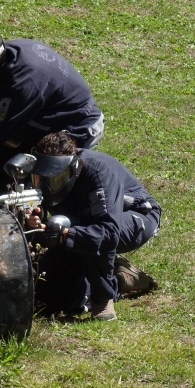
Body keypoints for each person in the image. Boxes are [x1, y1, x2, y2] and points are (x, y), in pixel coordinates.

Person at [25, 132, 161, 321]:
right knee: (50, 298)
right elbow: (37, 206)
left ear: (71, 171)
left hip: (136, 216)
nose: (46, 185)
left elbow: (107, 233)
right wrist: (32, 218)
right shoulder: (41, 168)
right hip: (82, 222)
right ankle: (121, 277)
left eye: (54, 179)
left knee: (91, 232)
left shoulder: (98, 172)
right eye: (40, 178)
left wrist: (65, 234)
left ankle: (103, 299)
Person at [0, 27, 105, 154]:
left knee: (38, 170)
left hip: (75, 128)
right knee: (0, 167)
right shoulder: (10, 53)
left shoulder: (23, 85)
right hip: (41, 115)